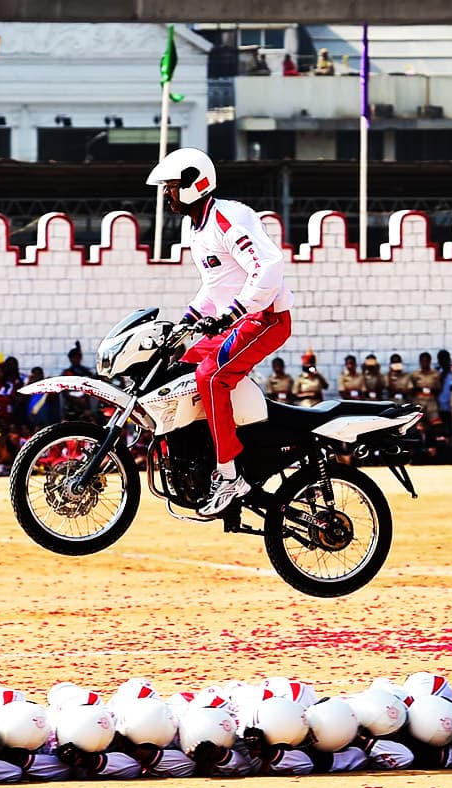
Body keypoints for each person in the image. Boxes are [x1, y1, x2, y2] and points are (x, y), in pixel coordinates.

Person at [148, 146, 294, 517]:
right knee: (176, 370)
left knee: (210, 378)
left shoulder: (228, 218)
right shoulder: (196, 227)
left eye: (171, 186)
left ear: (195, 184)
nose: (167, 194)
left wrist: (235, 312)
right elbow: (216, 285)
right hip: (238, 318)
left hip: (266, 318)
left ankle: (230, 475)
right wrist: (186, 322)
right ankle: (198, 456)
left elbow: (268, 269)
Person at [410, 352, 443, 422]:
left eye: (427, 361)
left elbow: (439, 388)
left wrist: (432, 391)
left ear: (430, 361)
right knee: (418, 423)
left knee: (435, 423)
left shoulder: (436, 374)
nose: (425, 363)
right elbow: (412, 388)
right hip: (419, 402)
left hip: (432, 402)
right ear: (420, 361)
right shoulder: (415, 374)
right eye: (423, 361)